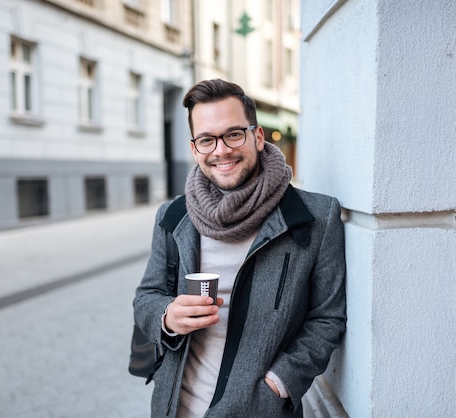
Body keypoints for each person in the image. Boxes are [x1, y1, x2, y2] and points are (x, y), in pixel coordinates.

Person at [133, 79, 346, 417]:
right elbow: (146, 296)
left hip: (258, 409)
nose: (221, 150)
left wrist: (278, 384)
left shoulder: (314, 218)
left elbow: (327, 318)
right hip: (176, 406)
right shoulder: (173, 216)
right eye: (207, 140)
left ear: (257, 137)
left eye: (233, 134)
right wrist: (168, 315)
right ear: (195, 149)